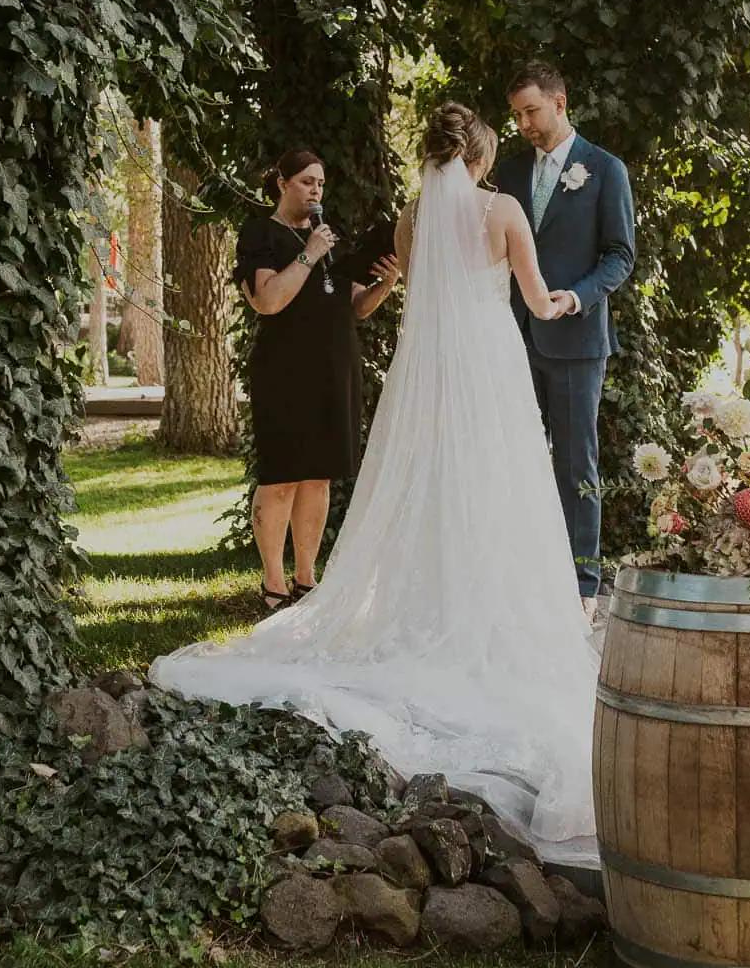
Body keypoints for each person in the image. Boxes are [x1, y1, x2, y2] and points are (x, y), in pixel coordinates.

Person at [151, 103, 602, 862]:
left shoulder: (409, 217)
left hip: (425, 376)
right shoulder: (503, 210)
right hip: (486, 370)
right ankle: (480, 600)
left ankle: (403, 594)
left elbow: (410, 295)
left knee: (421, 483)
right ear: (483, 159)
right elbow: (532, 299)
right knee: (497, 491)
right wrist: (564, 299)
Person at [494, 63, 635, 607]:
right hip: (510, 336)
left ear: (560, 101)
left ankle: (582, 585)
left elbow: (620, 255)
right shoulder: (506, 173)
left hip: (577, 340)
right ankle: (519, 577)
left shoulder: (605, 169)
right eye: (516, 115)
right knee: (511, 456)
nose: (524, 124)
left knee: (577, 462)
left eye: (530, 111)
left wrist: (574, 296)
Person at [234, 149, 400, 609]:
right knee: (282, 477)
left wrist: (385, 284)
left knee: (319, 479)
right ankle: (273, 584)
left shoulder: (330, 238)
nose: (316, 191)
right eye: (307, 182)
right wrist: (309, 254)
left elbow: (355, 306)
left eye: (321, 184)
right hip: (284, 369)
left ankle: (307, 579)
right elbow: (267, 301)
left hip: (334, 364)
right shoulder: (261, 234)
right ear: (283, 182)